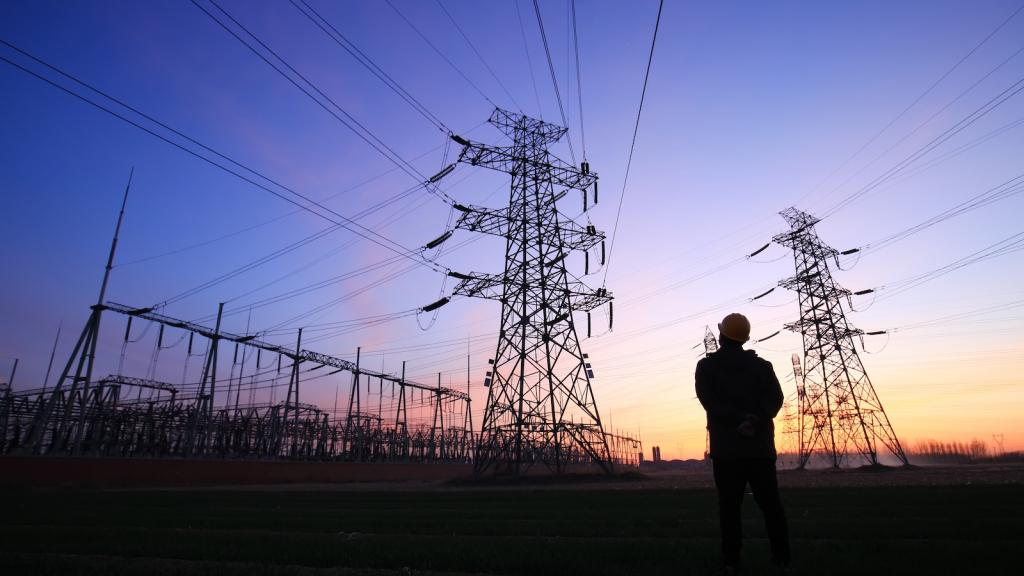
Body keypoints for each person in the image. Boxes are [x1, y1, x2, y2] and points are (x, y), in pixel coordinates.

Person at [695, 313, 790, 574]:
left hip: (727, 451)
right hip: (759, 449)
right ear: (745, 338)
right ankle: (781, 559)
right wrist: (754, 420)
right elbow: (775, 399)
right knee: (771, 505)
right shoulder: (762, 367)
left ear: (721, 335)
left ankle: (732, 562)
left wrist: (737, 420)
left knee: (729, 508)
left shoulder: (707, 367)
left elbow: (709, 402)